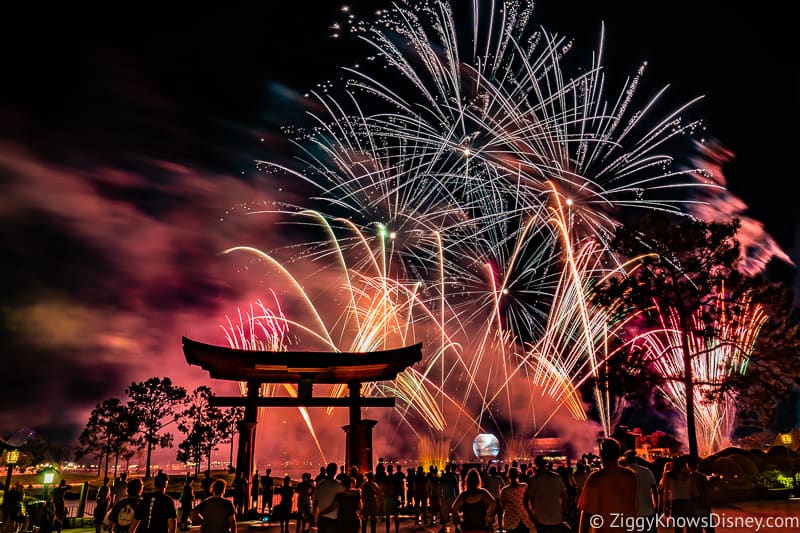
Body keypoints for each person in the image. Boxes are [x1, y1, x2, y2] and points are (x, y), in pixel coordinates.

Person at [577, 438, 638, 533]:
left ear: (601, 455)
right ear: (618, 454)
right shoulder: (631, 475)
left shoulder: (596, 478)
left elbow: (587, 513)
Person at [524, 456, 567, 533]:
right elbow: (564, 496)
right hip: (556, 517)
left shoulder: (533, 480)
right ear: (546, 463)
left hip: (540, 518)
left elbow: (525, 500)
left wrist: (531, 515)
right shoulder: (557, 477)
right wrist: (562, 511)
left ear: (535, 464)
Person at [621, 451, 658, 533]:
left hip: (631, 513)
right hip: (648, 510)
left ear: (626, 461)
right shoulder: (646, 471)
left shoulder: (624, 473)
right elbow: (654, 490)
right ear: (636, 460)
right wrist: (657, 507)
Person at [451, 468, 496, 533]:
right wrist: (487, 515)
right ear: (478, 480)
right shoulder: (482, 492)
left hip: (467, 527)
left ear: (467, 481)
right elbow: (493, 503)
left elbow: (453, 508)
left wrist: (458, 520)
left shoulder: (464, 495)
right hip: (481, 526)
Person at [312, 463, 344, 533]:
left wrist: (315, 520)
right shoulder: (339, 486)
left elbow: (315, 504)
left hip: (321, 520)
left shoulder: (319, 486)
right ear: (335, 472)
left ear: (326, 471)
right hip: (334, 520)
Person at [500, 467, 534, 533]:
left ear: (508, 476)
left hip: (511, 520)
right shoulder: (524, 486)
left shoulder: (504, 490)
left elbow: (503, 506)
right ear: (518, 475)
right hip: (524, 520)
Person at [686, 456, 714, 533]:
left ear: (687, 465)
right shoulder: (703, 477)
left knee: (697, 530)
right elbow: (707, 491)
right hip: (704, 507)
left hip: (694, 508)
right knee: (710, 529)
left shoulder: (687, 478)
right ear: (697, 465)